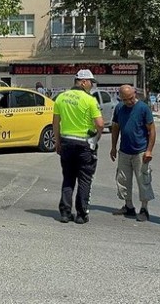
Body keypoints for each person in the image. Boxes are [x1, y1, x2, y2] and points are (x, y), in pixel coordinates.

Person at [53, 69, 104, 224]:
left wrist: (57, 141)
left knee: (68, 178)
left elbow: (55, 122)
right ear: (83, 82)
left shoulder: (61, 98)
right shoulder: (89, 100)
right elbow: (100, 124)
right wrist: (96, 139)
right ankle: (81, 214)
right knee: (84, 179)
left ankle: (65, 213)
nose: (92, 85)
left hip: (67, 142)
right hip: (84, 144)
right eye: (91, 82)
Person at [110, 85, 156, 222]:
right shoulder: (119, 108)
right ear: (121, 98)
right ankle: (128, 206)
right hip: (124, 151)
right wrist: (113, 147)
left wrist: (149, 150)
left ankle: (144, 209)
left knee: (143, 180)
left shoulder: (143, 108)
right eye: (125, 99)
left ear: (134, 94)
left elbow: (152, 130)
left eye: (131, 98)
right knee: (123, 179)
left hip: (140, 152)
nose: (129, 102)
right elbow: (115, 127)